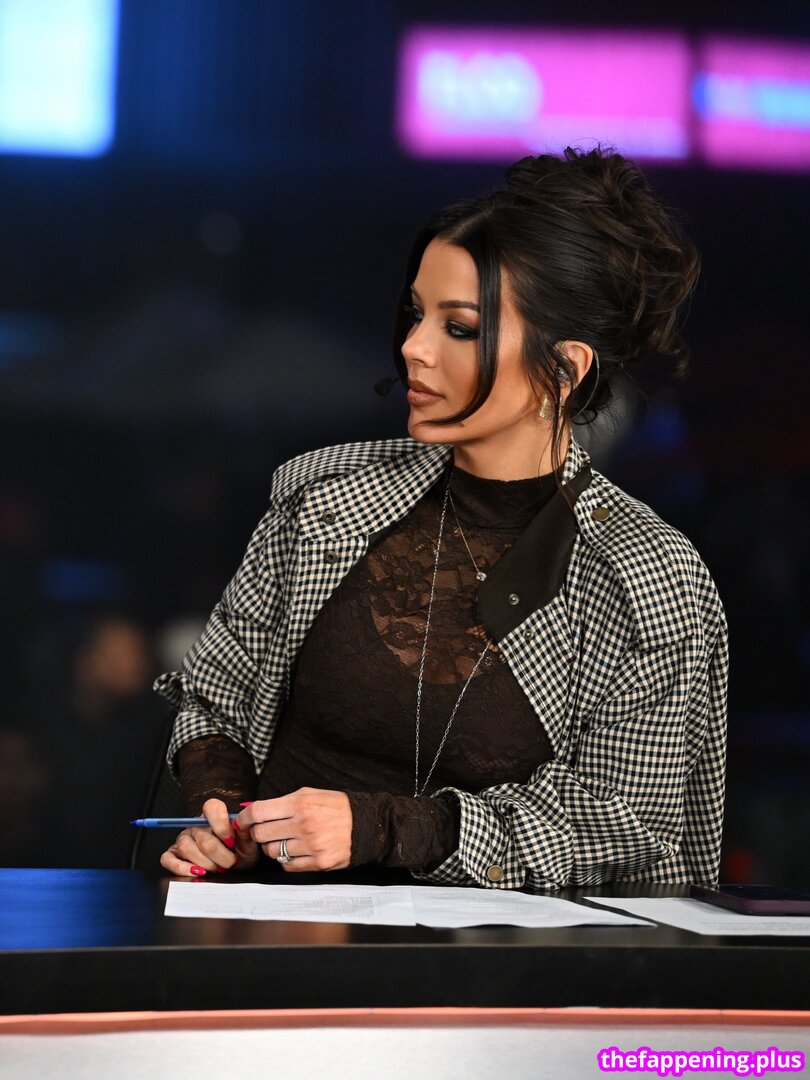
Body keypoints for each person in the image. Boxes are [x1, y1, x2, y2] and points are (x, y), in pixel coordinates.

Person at [155, 146, 728, 892]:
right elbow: (216, 695)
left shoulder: (647, 578)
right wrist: (225, 815)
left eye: (459, 328)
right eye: (416, 314)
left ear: (564, 368)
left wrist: (388, 828)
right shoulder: (325, 494)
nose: (412, 348)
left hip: (498, 958)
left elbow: (623, 826)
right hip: (272, 926)